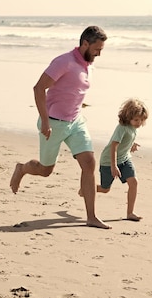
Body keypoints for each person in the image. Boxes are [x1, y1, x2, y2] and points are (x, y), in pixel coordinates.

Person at [9, 25, 110, 229]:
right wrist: (45, 121)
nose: (99, 53)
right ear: (85, 44)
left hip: (76, 122)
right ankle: (22, 168)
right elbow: (38, 88)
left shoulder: (88, 65)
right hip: (53, 123)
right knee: (45, 170)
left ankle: (91, 216)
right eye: (97, 49)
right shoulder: (64, 62)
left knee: (89, 163)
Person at [97, 98, 149, 221]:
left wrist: (132, 145)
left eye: (141, 120)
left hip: (125, 160)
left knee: (134, 182)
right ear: (128, 117)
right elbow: (114, 146)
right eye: (136, 119)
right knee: (105, 189)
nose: (139, 122)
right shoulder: (121, 128)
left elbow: (126, 140)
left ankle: (130, 213)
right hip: (108, 161)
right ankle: (87, 188)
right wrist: (113, 166)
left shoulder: (133, 128)